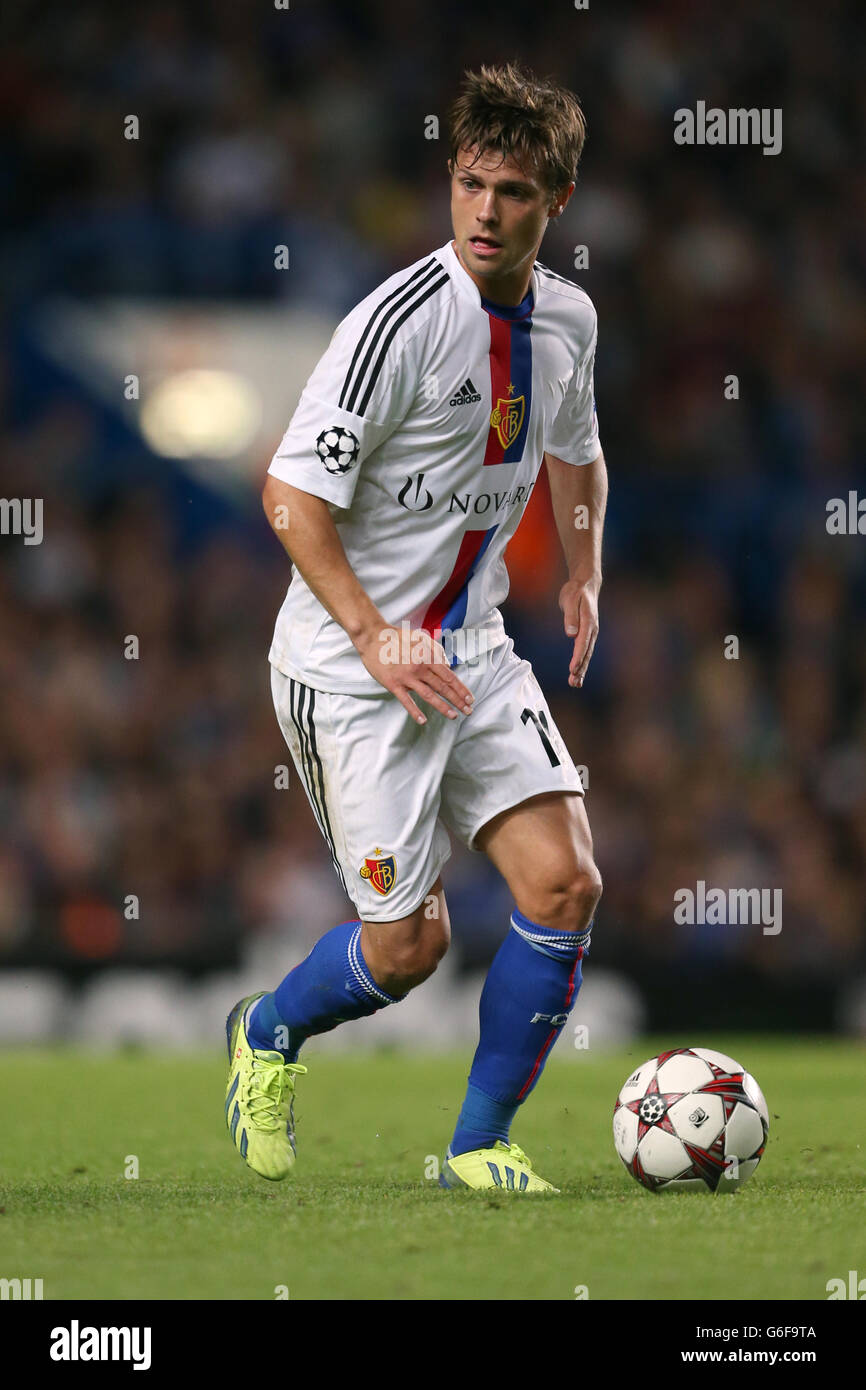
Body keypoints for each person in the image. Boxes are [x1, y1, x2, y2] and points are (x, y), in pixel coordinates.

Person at [225, 61, 607, 1192]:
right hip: (350, 671)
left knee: (564, 884)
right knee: (409, 949)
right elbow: (290, 498)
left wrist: (581, 573)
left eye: (516, 192)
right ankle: (266, 1034)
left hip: (476, 651)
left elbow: (576, 452)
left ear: (556, 203)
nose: (487, 211)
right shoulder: (393, 324)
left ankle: (478, 1148)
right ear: (450, 182)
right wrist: (375, 632)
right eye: (471, 183)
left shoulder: (569, 322)